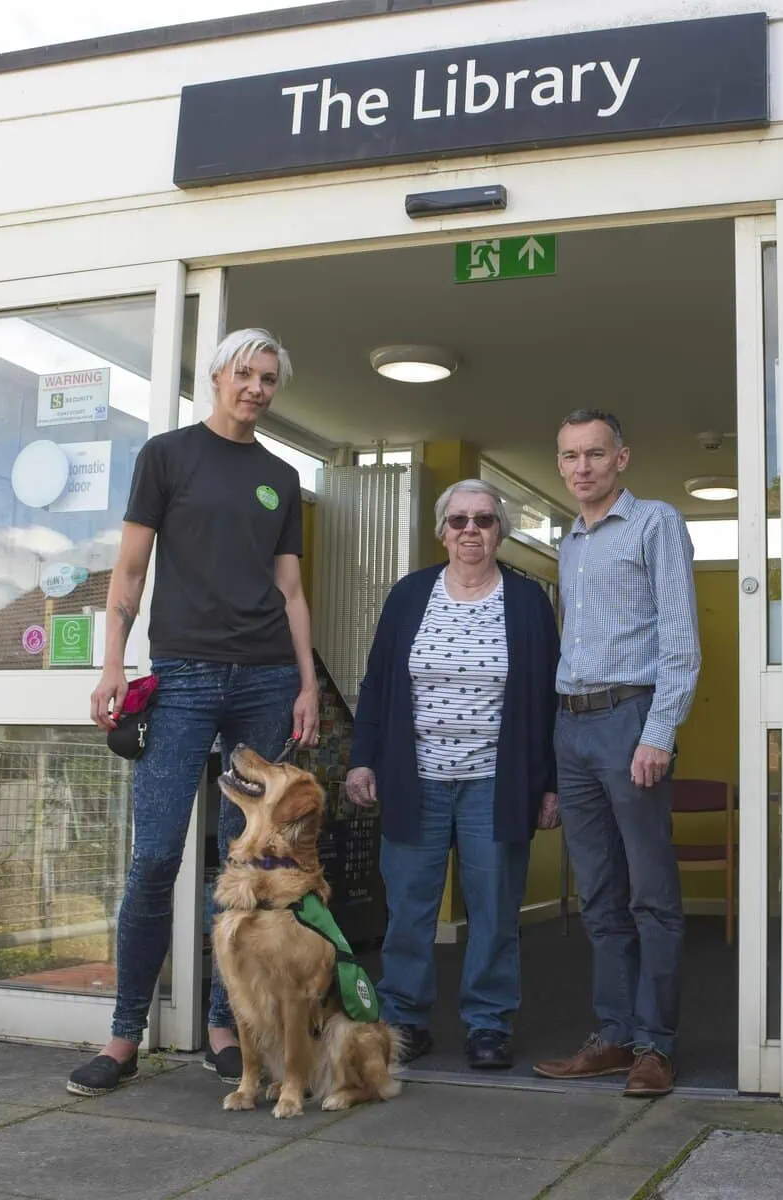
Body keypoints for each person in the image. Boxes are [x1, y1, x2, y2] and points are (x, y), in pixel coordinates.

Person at [67, 328, 320, 1097]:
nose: (255, 387)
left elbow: (291, 591)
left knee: (245, 861)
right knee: (155, 857)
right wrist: (114, 661)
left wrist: (308, 684)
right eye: (244, 372)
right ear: (216, 376)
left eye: (268, 377)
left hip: (267, 679)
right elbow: (132, 566)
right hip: (181, 677)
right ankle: (121, 1038)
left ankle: (224, 1026)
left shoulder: (280, 476)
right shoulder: (168, 456)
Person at [347, 480, 560, 1070]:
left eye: (484, 521)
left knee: (494, 907)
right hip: (415, 777)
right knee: (410, 906)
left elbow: (547, 698)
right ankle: (405, 1019)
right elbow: (377, 684)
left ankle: (488, 1024)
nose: (471, 530)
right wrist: (362, 758)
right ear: (441, 530)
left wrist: (551, 785)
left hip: (497, 780)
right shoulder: (410, 595)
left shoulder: (526, 601)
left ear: (501, 532)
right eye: (459, 520)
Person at [533, 409, 701, 1097]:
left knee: (651, 895)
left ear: (622, 458)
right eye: (570, 456)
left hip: (631, 719)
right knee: (599, 895)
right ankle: (613, 1035)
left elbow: (681, 642)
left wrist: (658, 731)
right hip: (571, 727)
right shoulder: (569, 541)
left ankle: (654, 1047)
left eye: (595, 454)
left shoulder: (656, 523)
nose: (582, 468)